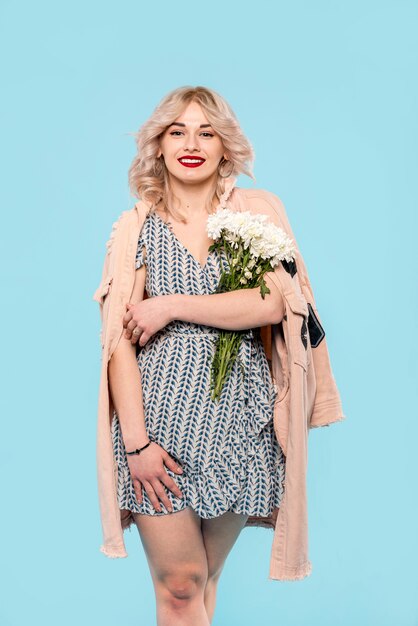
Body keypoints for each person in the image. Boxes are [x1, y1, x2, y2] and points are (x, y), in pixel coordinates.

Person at [106, 86, 291, 625]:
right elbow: (117, 342)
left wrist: (170, 306)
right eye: (177, 131)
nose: (192, 144)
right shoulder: (135, 227)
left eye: (206, 132)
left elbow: (277, 301)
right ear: (158, 146)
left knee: (205, 576)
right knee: (182, 586)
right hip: (157, 431)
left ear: (224, 146)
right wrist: (137, 442)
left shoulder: (256, 217)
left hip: (241, 424)